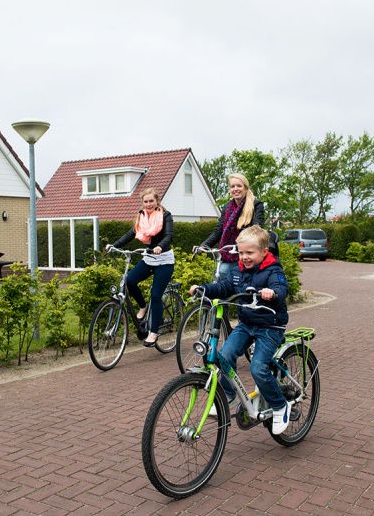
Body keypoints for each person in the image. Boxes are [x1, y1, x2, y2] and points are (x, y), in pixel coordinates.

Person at [188, 225, 291, 435]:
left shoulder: (273, 270)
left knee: (258, 368)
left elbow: (281, 288)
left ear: (264, 252)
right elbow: (224, 287)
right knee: (224, 356)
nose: (244, 257)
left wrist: (272, 292)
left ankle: (280, 406)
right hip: (246, 324)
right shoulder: (238, 271)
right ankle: (227, 394)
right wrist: (203, 289)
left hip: (270, 326)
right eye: (241, 252)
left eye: (249, 253)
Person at [107, 188, 174, 347]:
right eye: (146, 201)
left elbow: (168, 235)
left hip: (164, 261)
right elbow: (130, 234)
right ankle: (143, 307)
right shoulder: (141, 217)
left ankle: (153, 333)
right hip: (149, 259)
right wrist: (114, 245)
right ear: (142, 203)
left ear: (157, 201)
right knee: (129, 280)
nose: (149, 204)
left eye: (151, 201)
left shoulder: (165, 215)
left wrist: (160, 246)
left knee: (156, 295)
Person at [201, 173, 265, 278]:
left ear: (245, 188)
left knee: (231, 275)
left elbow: (257, 229)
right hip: (229, 254)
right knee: (220, 273)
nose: (235, 189)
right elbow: (219, 230)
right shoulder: (227, 207)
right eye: (232, 186)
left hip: (248, 253)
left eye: (239, 186)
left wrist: (242, 244)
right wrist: (203, 245)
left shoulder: (256, 205)